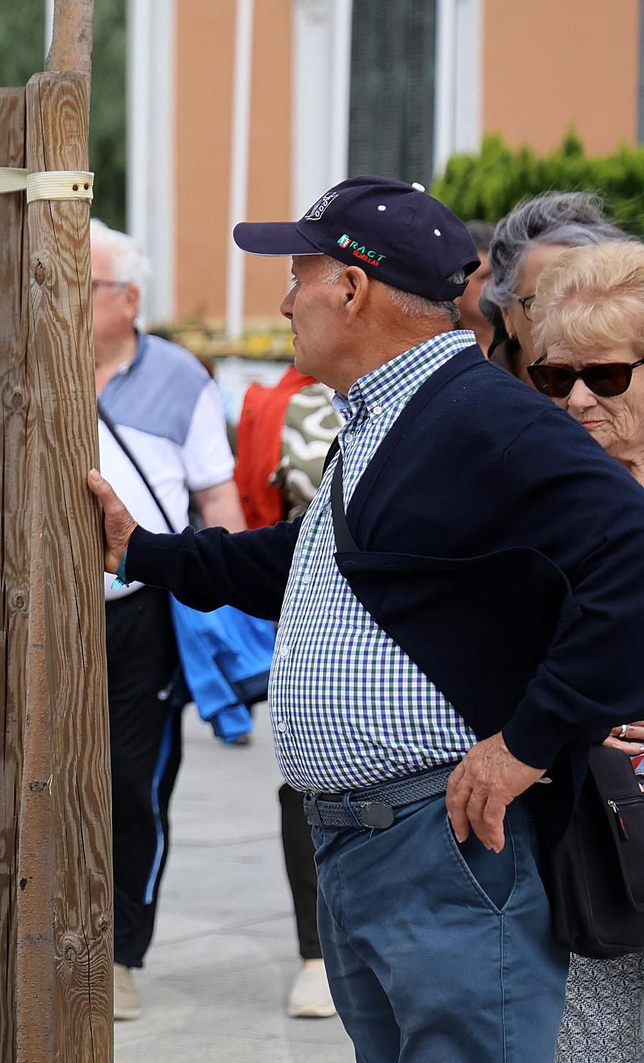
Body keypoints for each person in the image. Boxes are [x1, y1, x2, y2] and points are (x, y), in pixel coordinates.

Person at [87, 175, 644, 1062]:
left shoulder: (474, 411)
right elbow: (308, 563)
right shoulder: (399, 416)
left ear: (352, 288)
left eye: (298, 275)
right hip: (378, 846)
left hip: (443, 845)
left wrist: (528, 741)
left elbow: (630, 552)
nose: (284, 299)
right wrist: (143, 552)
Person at [0, 222, 244, 1020]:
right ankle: (41, 940)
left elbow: (216, 495)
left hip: (141, 611)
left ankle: (119, 950)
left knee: (131, 782)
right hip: (37, 613)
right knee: (31, 774)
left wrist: (225, 592)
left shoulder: (181, 377)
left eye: (82, 286)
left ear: (129, 300)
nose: (64, 299)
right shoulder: (27, 370)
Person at [526, 241, 644, 1061]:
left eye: (604, 376)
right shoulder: (535, 503)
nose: (574, 399)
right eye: (552, 377)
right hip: (588, 852)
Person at [231, 364, 341, 1019]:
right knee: (306, 780)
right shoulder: (282, 404)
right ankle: (317, 952)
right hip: (312, 614)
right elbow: (254, 506)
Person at [481, 191, 628, 384]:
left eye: (587, 301)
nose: (563, 322)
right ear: (507, 315)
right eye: (540, 304)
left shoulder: (628, 390)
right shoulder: (476, 404)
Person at [458, 219, 496, 353]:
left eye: (502, 277)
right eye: (486, 277)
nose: (497, 286)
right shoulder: (440, 356)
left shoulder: (529, 348)